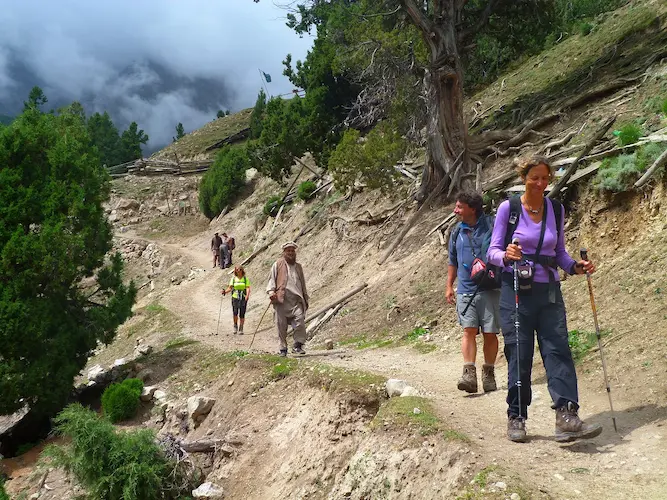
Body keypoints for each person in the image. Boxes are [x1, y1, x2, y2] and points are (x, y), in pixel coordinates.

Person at [486, 155, 602, 443]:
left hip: (549, 292)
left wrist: (575, 266)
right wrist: (506, 256)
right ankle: (517, 416)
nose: (540, 183)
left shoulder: (555, 209)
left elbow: (559, 252)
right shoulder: (508, 209)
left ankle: (566, 415)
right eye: (534, 177)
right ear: (524, 178)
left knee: (558, 350)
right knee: (519, 354)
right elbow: (493, 252)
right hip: (515, 292)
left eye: (545, 178)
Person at [446, 190, 500, 394]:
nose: (455, 210)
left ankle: (489, 373)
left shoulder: (492, 225)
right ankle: (469, 374)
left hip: (491, 287)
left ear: (473, 208)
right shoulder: (456, 232)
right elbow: (453, 261)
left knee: (490, 332)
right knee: (468, 330)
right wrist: (449, 285)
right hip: (466, 289)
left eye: (459, 207)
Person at [266, 241, 309, 357]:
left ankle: (297, 346)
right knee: (281, 326)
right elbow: (271, 280)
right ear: (284, 252)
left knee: (300, 322)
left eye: (292, 251)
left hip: (296, 301)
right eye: (288, 251)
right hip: (282, 300)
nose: (290, 253)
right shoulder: (277, 264)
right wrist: (271, 291)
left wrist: (305, 297)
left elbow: (302, 283)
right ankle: (283, 348)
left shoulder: (298, 267)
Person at [222, 265, 250, 334]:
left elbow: (248, 288)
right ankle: (235, 326)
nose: (238, 271)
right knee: (235, 313)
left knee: (242, 313)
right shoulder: (233, 279)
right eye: (237, 269)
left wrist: (247, 295)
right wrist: (225, 291)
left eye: (240, 269)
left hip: (243, 297)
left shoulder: (245, 279)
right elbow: (230, 288)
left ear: (242, 270)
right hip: (235, 297)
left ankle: (241, 328)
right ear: (235, 271)